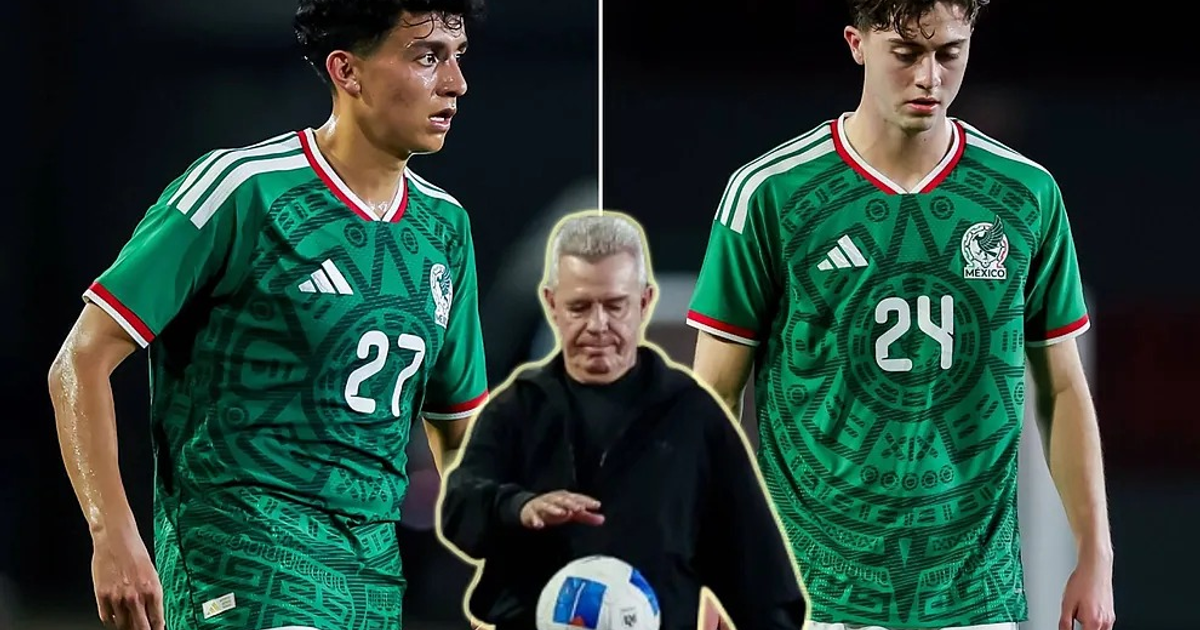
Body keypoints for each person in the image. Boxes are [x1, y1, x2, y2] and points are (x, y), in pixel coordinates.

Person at [46, 1, 489, 629]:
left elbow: (459, 427)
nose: (455, 82)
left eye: (458, 56)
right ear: (347, 71)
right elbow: (80, 361)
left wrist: (510, 536)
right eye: (427, 56)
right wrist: (112, 533)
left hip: (372, 579)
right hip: (240, 561)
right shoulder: (243, 187)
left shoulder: (446, 227)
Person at [686, 2, 1117, 630]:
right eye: (906, 54)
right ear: (856, 44)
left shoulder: (1027, 196)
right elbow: (714, 396)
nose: (930, 78)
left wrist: (1096, 553)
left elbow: (1062, 386)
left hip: (977, 600)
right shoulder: (770, 193)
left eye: (949, 53)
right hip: (813, 596)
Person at [437, 211, 809, 630]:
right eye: (579, 307)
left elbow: (760, 575)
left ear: (645, 301)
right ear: (552, 303)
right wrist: (518, 508)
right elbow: (459, 510)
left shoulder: (693, 417)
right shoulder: (518, 410)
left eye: (615, 305)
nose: (598, 325)